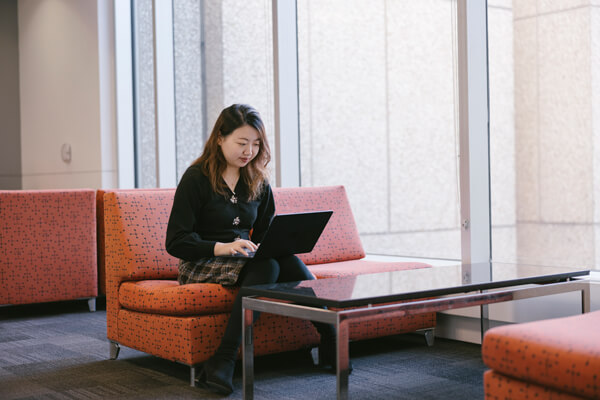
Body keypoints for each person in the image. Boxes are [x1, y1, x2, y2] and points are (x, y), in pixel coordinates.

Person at [165, 104, 344, 396]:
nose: (249, 151)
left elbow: (265, 234)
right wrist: (223, 247)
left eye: (256, 144)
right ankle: (225, 357)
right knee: (268, 267)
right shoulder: (196, 178)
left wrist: (273, 243)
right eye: (241, 143)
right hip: (202, 259)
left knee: (282, 259)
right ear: (220, 138)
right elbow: (176, 241)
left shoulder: (257, 179)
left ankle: (329, 336)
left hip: (245, 260)